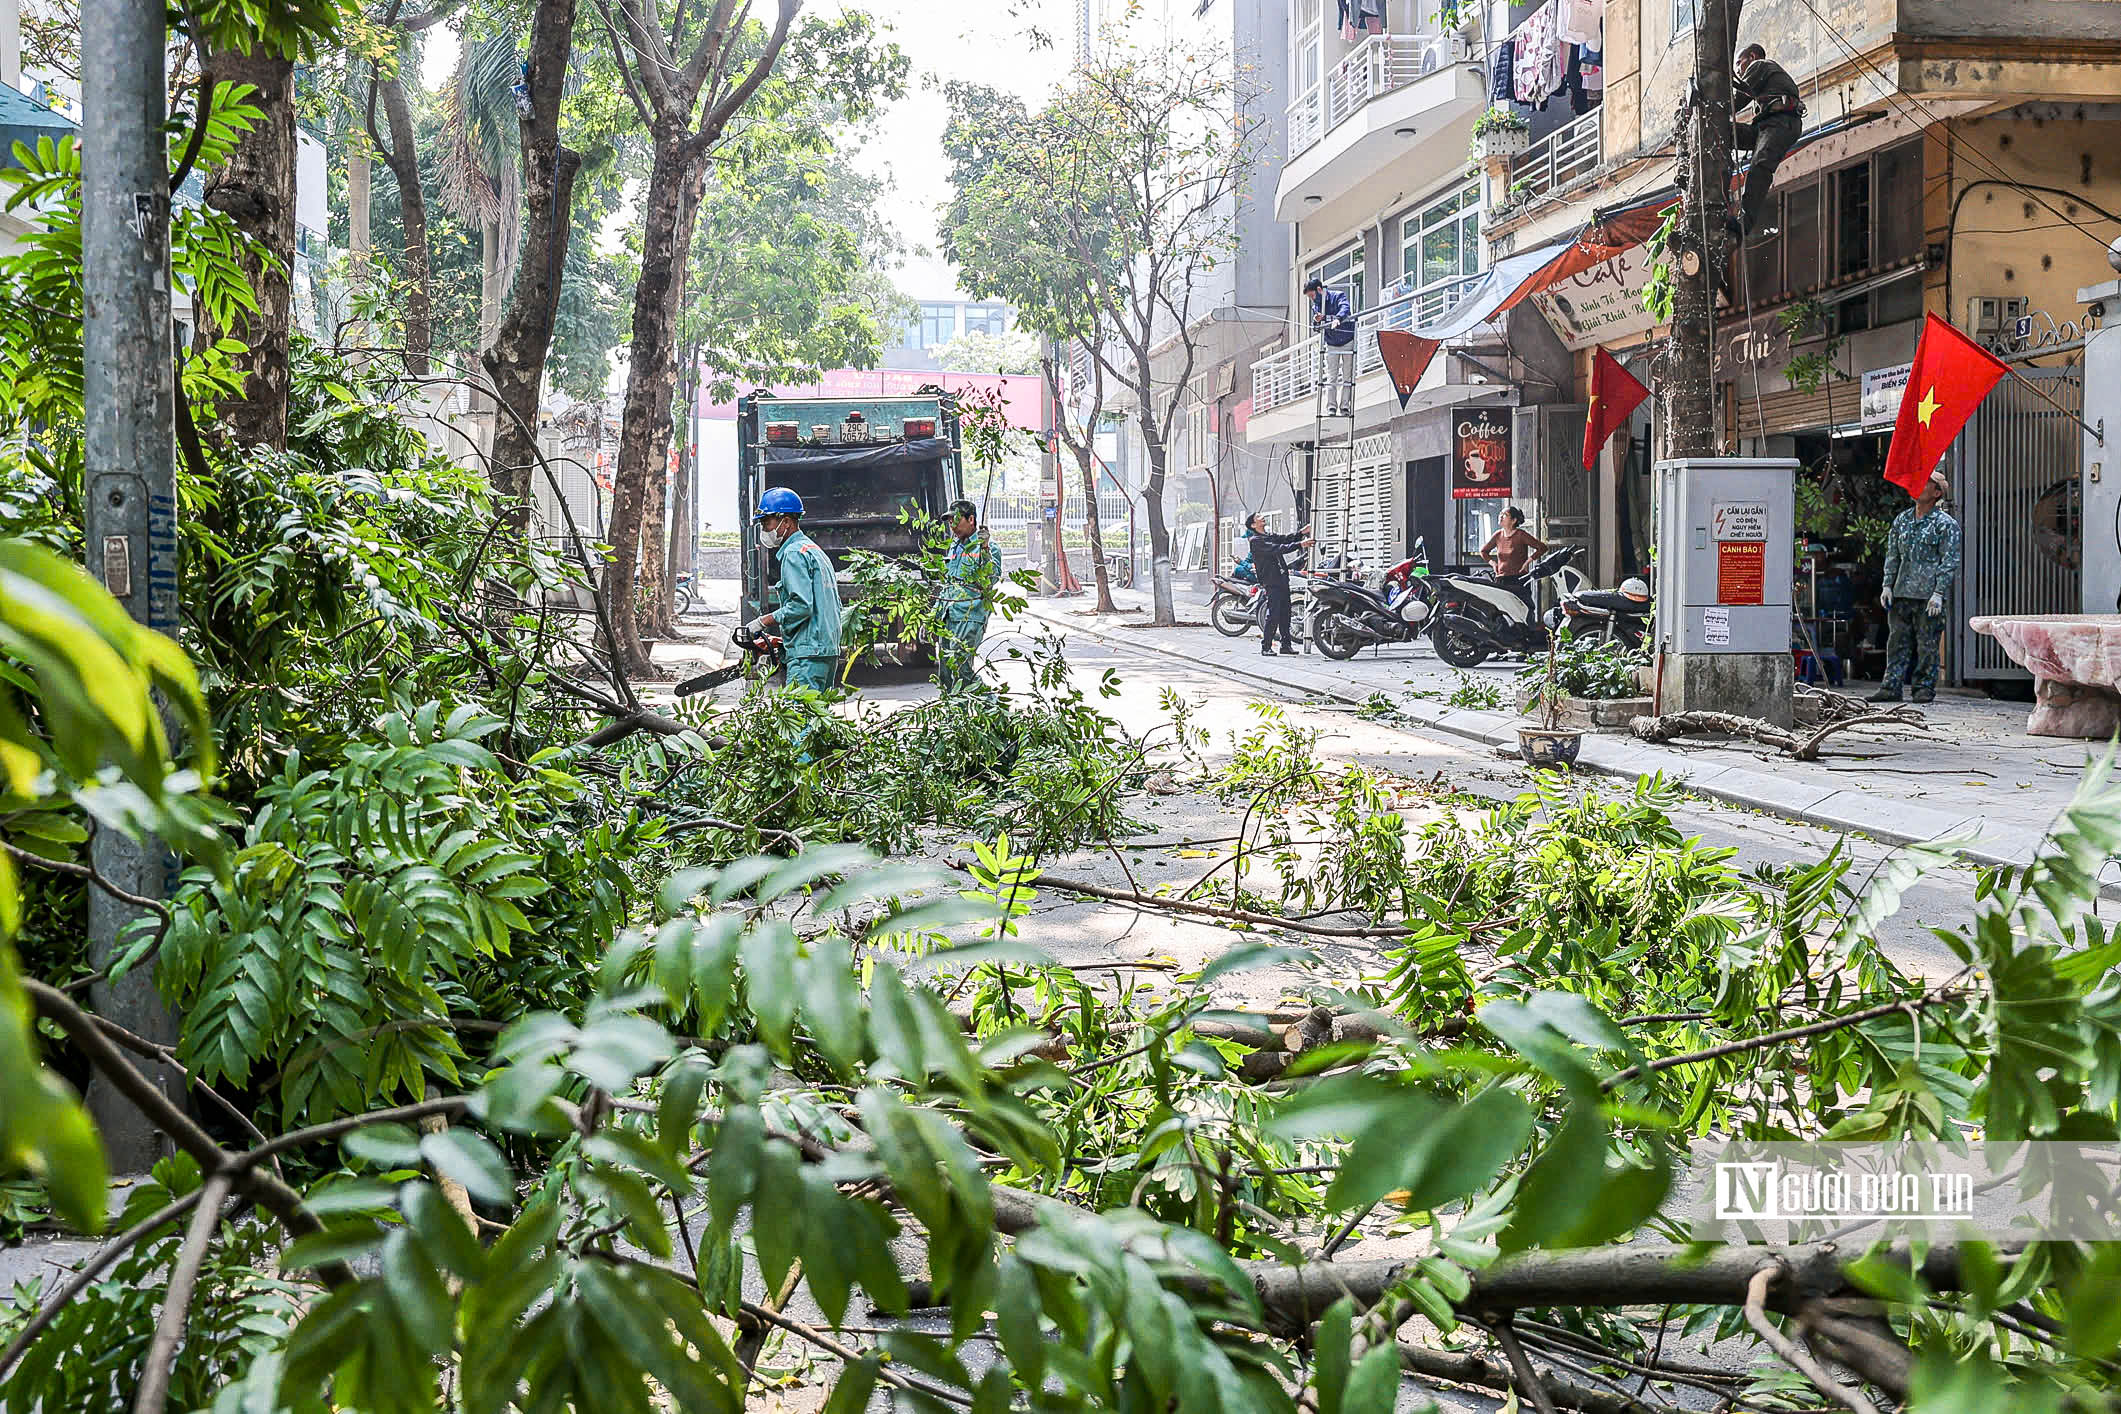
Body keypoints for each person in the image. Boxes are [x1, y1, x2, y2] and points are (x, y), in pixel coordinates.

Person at [1869, 471, 1961, 705]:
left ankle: (1923, 688)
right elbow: (1893, 554)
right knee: (1896, 642)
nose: (1918, 486)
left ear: (1937, 493)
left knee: (1927, 644)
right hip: (1901, 592)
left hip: (1927, 594)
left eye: (1925, 484)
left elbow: (1949, 561)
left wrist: (1939, 593)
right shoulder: (1903, 520)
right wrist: (1887, 585)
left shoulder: (1945, 525)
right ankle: (1891, 686)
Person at [746, 487, 844, 694]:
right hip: (825, 650)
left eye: (767, 523)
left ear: (787, 521)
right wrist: (783, 642)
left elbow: (801, 606)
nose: (764, 530)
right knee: (817, 719)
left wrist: (763, 621)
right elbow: (824, 608)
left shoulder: (792, 554)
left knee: (800, 721)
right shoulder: (814, 551)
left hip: (808, 655)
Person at [1730, 43, 1804, 241]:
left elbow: (1736, 100)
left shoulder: (1760, 65)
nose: (1738, 69)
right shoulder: (1765, 79)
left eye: (1739, 63)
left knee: (1760, 165)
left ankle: (1744, 223)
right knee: (1724, 133)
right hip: (1767, 126)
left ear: (1752, 56)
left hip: (1780, 123)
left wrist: (1716, 103)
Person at [936, 498, 997, 693]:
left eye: (956, 520)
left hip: (970, 616)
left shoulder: (987, 547)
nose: (952, 526)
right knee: (945, 670)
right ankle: (954, 717)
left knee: (960, 665)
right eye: (949, 521)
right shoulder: (954, 547)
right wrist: (935, 616)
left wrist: (985, 549)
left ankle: (992, 709)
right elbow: (949, 583)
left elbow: (991, 579)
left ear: (971, 519)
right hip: (950, 615)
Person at [1246, 512, 1312, 656]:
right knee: (1273, 613)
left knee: (1286, 613)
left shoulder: (1268, 536)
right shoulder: (1256, 541)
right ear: (1253, 525)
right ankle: (1266, 646)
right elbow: (1278, 548)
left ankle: (1285, 646)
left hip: (1282, 578)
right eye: (1258, 517)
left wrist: (1301, 533)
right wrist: (1300, 544)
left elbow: (1284, 539)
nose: (1262, 517)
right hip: (1271, 581)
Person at [1304, 277, 1356, 418]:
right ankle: (1331, 407)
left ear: (1319, 290)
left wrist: (1337, 319)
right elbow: (1316, 327)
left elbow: (1345, 308)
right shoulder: (1316, 306)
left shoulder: (1337, 296)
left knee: (1347, 376)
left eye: (1312, 295)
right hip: (1332, 343)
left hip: (1347, 341)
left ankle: (1345, 406)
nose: (1312, 299)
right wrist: (1317, 322)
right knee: (1331, 376)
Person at [1479, 506, 1547, 578]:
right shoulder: (1498, 535)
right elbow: (1483, 551)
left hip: (1519, 578)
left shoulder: (1521, 535)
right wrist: (1493, 563)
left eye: (1505, 514)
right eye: (1500, 514)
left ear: (1513, 520)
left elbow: (1542, 548)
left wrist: (1527, 562)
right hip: (1501, 578)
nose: (1501, 516)